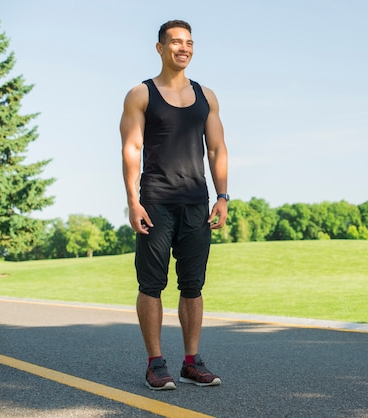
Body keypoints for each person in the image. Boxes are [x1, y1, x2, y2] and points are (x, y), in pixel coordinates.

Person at [120, 19, 228, 390]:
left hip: (196, 202)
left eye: (189, 43)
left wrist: (223, 197)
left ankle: (191, 362)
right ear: (160, 48)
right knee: (151, 284)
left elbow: (216, 149)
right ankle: (155, 363)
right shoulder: (141, 94)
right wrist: (133, 201)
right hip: (156, 201)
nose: (184, 48)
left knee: (193, 285)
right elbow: (131, 149)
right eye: (176, 42)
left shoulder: (206, 96)